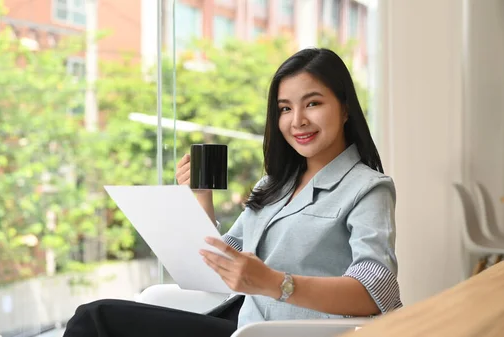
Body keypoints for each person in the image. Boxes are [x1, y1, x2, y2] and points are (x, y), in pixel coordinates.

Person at [62, 48, 402, 337]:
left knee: (96, 319)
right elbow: (225, 262)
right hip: (243, 322)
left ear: (344, 109)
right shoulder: (273, 186)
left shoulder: (368, 189)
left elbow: (377, 289)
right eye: (285, 108)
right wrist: (200, 197)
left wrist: (274, 283)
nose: (297, 120)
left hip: (287, 332)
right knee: (96, 319)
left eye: (312, 103)